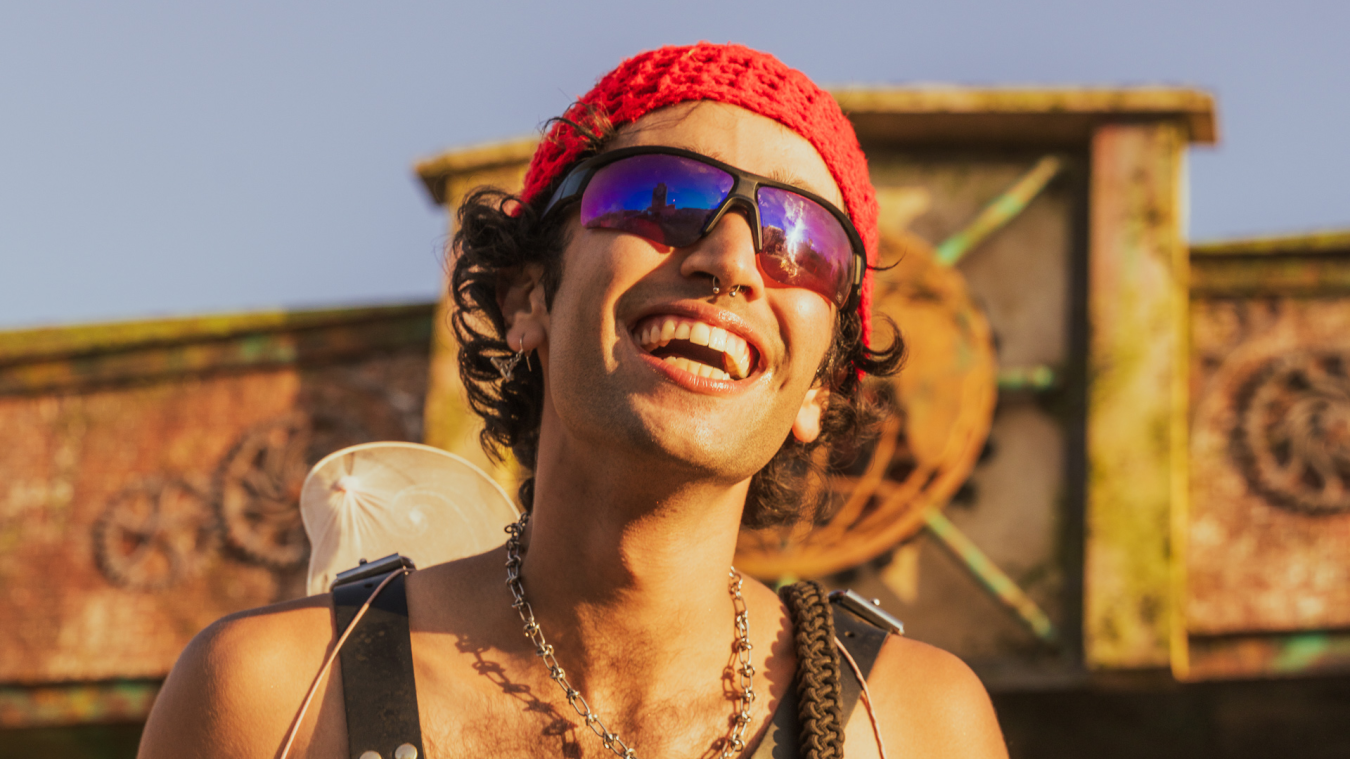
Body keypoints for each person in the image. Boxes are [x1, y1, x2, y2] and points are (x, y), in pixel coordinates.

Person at [138, 43, 1008, 759]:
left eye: (803, 243)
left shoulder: (910, 724)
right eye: (662, 196)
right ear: (527, 298)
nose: (732, 260)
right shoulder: (275, 700)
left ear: (820, 385)